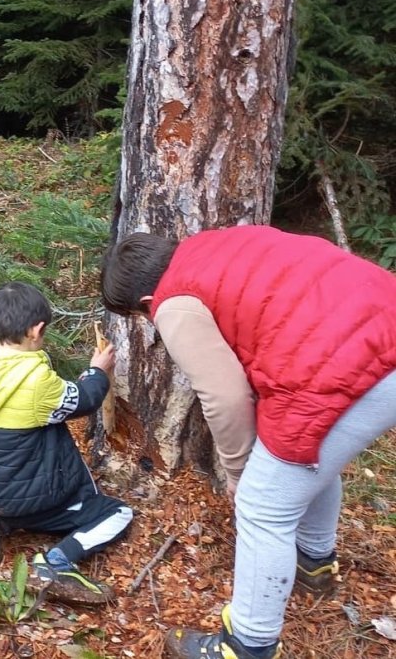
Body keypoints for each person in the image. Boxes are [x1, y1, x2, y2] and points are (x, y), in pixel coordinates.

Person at [100, 225, 396, 659]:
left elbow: (224, 396)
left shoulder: (173, 304)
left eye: (142, 316)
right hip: (379, 323)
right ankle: (314, 563)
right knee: (309, 461)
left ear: (144, 303)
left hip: (349, 365)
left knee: (262, 505)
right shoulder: (211, 246)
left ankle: (248, 644)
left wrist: (239, 472)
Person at [0, 281, 133, 605]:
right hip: (30, 499)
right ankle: (56, 561)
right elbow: (83, 399)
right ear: (37, 330)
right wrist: (96, 372)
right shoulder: (36, 381)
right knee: (118, 513)